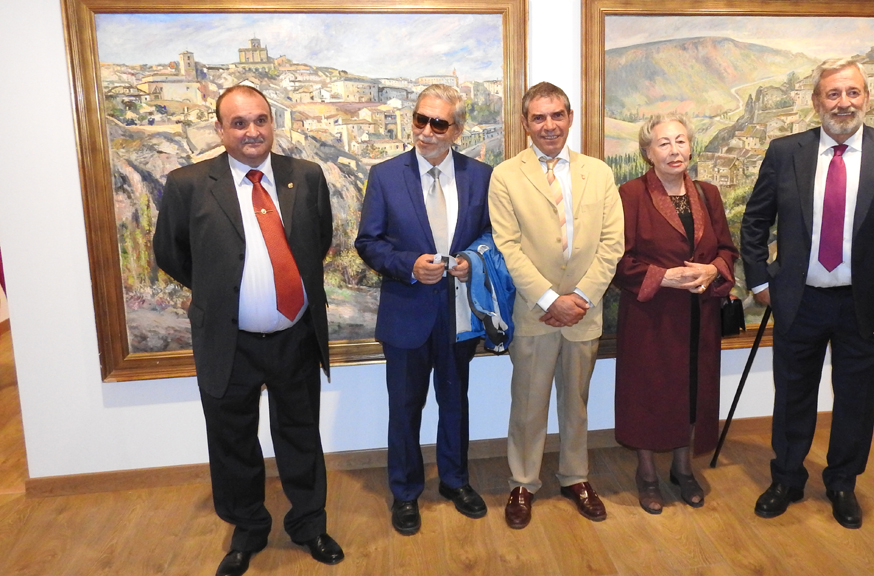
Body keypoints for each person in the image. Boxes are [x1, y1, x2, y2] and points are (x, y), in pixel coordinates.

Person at [153, 85, 343, 576]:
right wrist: (222, 294)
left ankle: (309, 524)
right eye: (239, 123)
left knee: (300, 435)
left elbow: (317, 241)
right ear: (220, 130)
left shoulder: (307, 176)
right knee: (232, 440)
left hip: (295, 336)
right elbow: (171, 254)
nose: (252, 131)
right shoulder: (188, 184)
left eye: (261, 120)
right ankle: (248, 530)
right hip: (228, 341)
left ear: (272, 123)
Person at [740, 58, 874, 529]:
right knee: (792, 396)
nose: (843, 103)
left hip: (866, 308)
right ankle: (786, 478)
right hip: (799, 301)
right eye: (833, 94)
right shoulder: (786, 152)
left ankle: (842, 483)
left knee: (856, 399)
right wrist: (762, 282)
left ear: (867, 98)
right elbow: (755, 222)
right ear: (816, 102)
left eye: (852, 93)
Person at [355, 84, 491, 535]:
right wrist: (409, 267)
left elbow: (492, 237)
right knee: (405, 407)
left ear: (457, 129)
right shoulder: (385, 175)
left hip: (459, 315)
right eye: (420, 120)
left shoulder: (480, 176)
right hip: (406, 313)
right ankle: (406, 492)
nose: (426, 131)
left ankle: (455, 481)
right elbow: (368, 243)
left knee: (455, 403)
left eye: (438, 123)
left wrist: (474, 261)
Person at [489, 81, 624, 529]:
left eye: (558, 115)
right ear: (525, 123)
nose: (550, 125)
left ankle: (575, 476)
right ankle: (523, 482)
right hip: (534, 312)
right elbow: (509, 248)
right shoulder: (506, 175)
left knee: (577, 402)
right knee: (528, 403)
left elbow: (612, 244)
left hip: (585, 311)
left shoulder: (599, 173)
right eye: (539, 117)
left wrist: (579, 298)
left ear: (570, 117)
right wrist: (551, 299)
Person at [613, 113, 738, 514]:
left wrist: (711, 269)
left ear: (691, 147)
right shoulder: (629, 195)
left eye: (681, 141)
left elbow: (726, 251)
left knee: (692, 391)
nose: (674, 150)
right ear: (647, 152)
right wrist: (663, 277)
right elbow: (618, 261)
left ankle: (683, 469)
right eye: (664, 143)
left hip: (699, 316)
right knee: (648, 393)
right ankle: (647, 473)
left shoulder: (707, 193)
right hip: (651, 316)